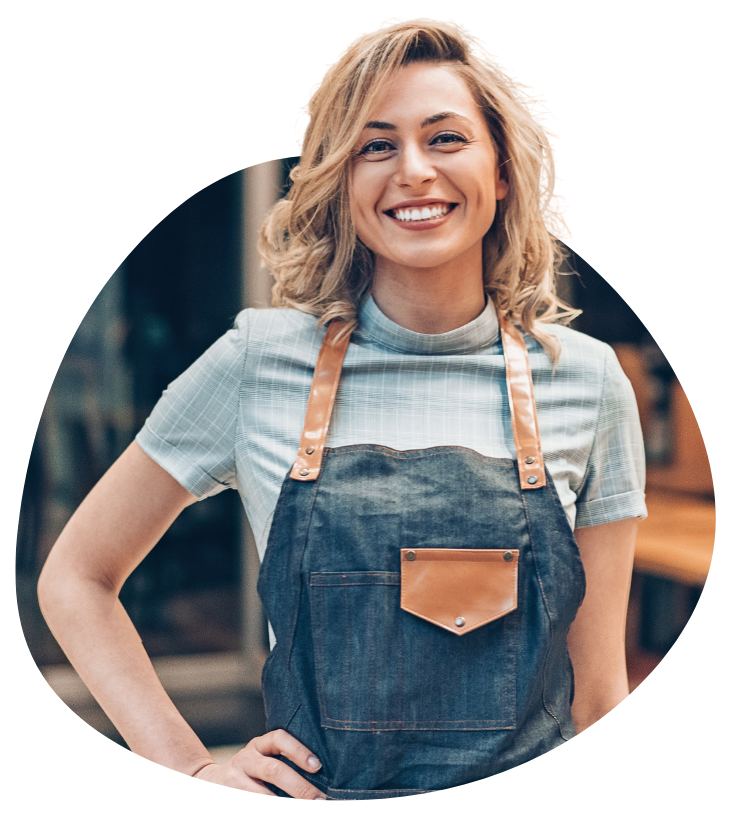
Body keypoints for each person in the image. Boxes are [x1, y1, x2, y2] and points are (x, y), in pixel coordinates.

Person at [38, 17, 647, 799]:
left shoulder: (588, 381)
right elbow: (76, 576)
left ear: (501, 172)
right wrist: (187, 761)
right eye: (375, 145)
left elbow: (596, 695)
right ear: (340, 179)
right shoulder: (258, 359)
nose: (414, 171)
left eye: (447, 138)